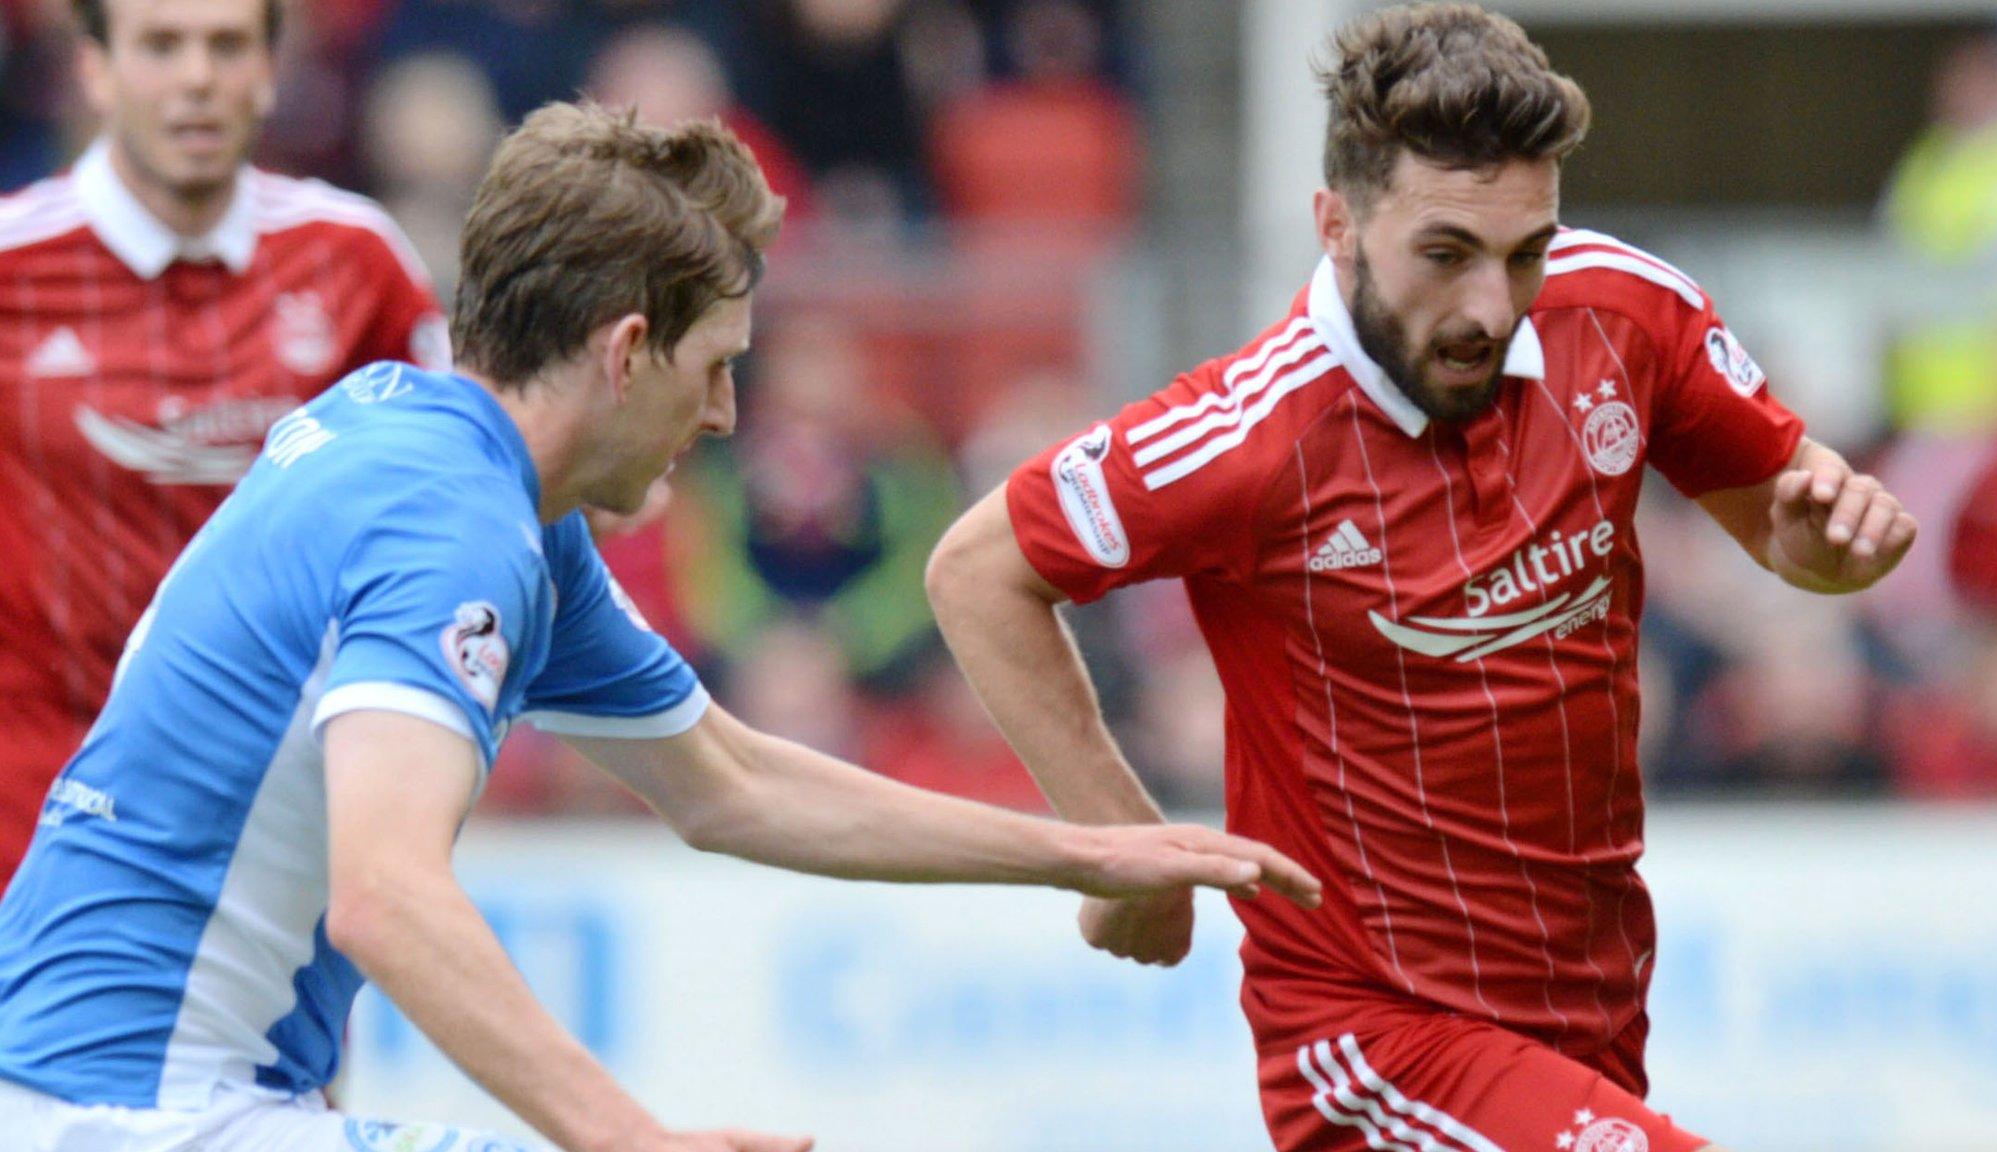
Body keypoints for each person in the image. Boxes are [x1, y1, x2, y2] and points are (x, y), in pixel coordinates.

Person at [0, 102, 1321, 1152]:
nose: (729, 418)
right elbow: (387, 898)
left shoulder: (465, 470)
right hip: (130, 1114)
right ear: (629, 351)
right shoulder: (451, 519)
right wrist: (627, 1138)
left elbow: (725, 781)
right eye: (719, 367)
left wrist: (1086, 854)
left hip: (149, 1097)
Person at [924, 6, 1916, 1152]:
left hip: (1582, 1025)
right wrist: (1114, 843)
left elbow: (1788, 528)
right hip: (1373, 1040)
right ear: (1335, 225)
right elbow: (976, 570)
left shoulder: (1625, 315)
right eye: (1443, 254)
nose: (1490, 307)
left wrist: (1834, 551)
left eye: (1523, 252)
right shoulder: (1248, 434)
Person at [0, 0, 447, 891]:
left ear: (271, 69)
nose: (197, 78)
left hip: (272, 841)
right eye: (162, 46)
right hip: (35, 827)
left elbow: (453, 491)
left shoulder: (354, 261)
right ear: (95, 69)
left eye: (227, 45)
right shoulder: (14, 266)